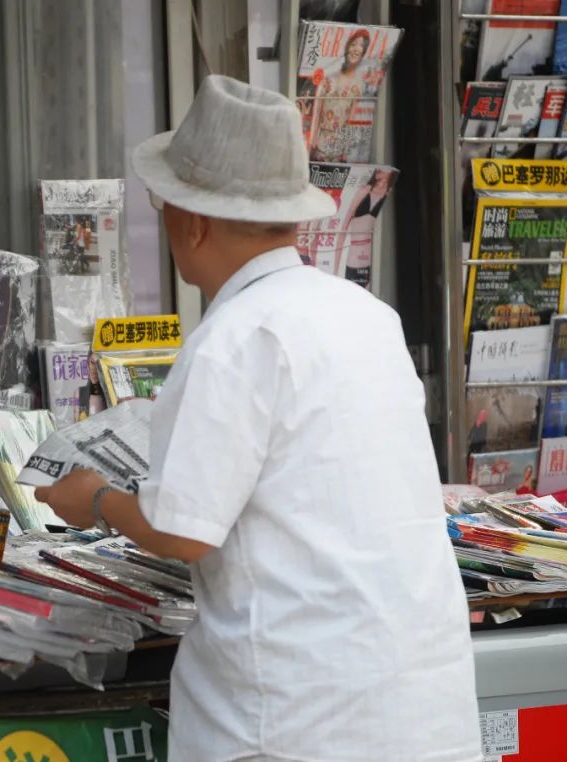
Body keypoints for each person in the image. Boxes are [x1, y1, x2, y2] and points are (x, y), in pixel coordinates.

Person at [34, 76, 480, 761]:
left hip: (298, 723)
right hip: (420, 712)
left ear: (194, 222)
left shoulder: (235, 338)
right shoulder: (368, 316)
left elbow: (181, 531)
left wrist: (94, 499)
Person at [312, 28, 370, 162]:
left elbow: (351, 120)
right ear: (346, 47)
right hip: (321, 143)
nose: (356, 49)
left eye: (361, 46)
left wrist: (346, 149)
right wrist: (313, 141)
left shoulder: (359, 85)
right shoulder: (328, 78)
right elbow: (317, 111)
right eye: (353, 44)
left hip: (340, 148)